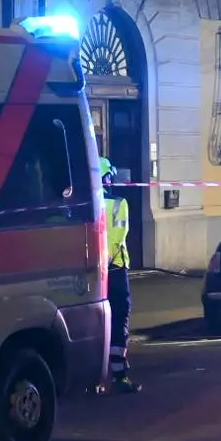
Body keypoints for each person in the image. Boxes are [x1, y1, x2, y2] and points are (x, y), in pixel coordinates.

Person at [99, 158, 138, 393]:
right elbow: (117, 238)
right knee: (119, 317)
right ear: (107, 178)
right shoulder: (118, 204)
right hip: (114, 269)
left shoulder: (84, 203)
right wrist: (106, 262)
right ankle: (119, 374)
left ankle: (93, 378)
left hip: (91, 271)